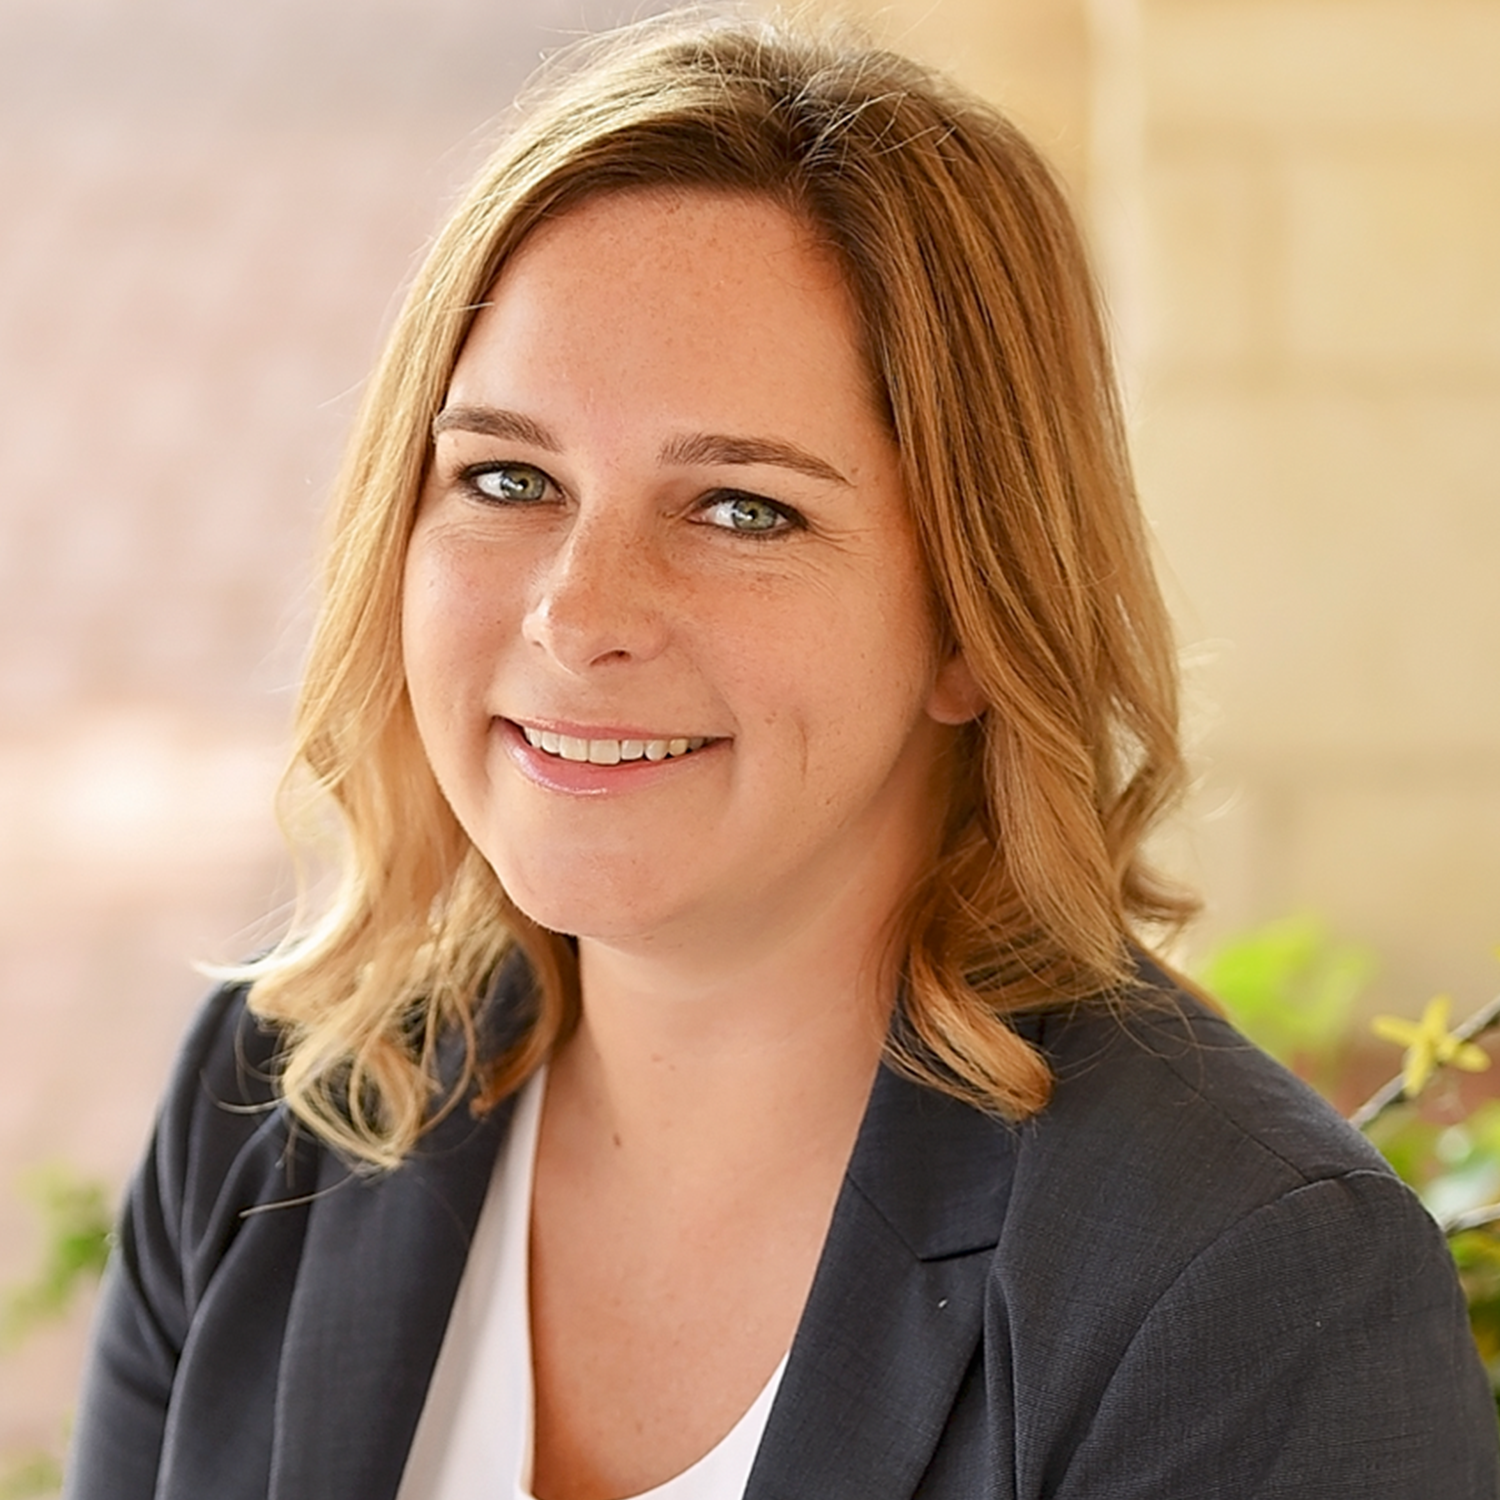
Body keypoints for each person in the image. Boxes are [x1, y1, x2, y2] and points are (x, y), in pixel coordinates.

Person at [66, 11, 1498, 1500]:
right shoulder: (276, 1098)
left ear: (971, 618)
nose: (577, 614)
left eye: (742, 507)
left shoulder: (1251, 1294)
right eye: (507, 476)